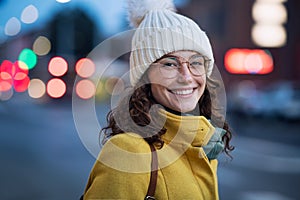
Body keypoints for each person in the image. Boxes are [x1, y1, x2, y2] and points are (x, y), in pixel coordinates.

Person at [81, 0, 234, 199]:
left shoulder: (203, 146)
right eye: (170, 64)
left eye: (196, 62)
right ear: (145, 77)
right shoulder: (128, 152)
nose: (187, 77)